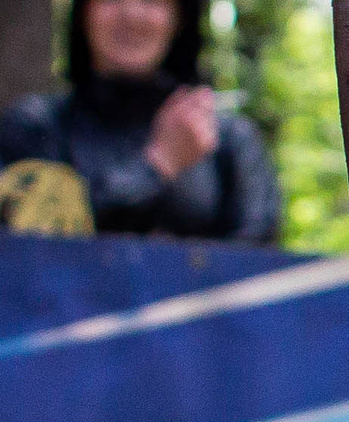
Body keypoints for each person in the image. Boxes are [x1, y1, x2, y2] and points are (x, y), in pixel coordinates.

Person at [0, 0, 280, 244]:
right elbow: (32, 252)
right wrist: (157, 166)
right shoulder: (35, 127)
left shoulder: (230, 140)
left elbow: (258, 275)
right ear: (84, 13)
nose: (132, 14)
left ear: (179, 18)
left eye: (153, 0)